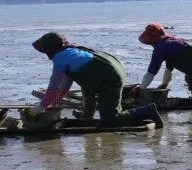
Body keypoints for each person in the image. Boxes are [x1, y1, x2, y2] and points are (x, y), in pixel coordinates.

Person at [25, 32, 163, 127]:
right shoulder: (70, 51)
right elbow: (65, 84)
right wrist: (54, 102)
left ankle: (147, 111)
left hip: (109, 77)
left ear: (50, 50)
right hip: (110, 69)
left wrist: (40, 107)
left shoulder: (60, 59)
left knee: (110, 119)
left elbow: (53, 88)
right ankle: (87, 118)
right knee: (86, 88)